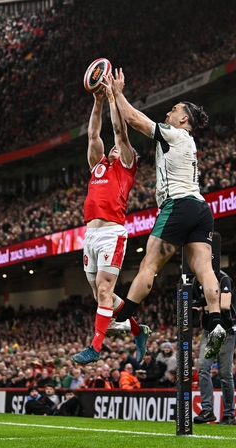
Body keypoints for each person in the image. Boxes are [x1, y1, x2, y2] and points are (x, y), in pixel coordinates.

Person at [104, 69, 226, 359]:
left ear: (184, 119)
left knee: (150, 264)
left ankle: (123, 320)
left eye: (174, 110)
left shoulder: (174, 134)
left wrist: (118, 92)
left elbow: (135, 120)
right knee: (205, 269)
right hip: (201, 209)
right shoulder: (188, 142)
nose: (169, 113)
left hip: (178, 205)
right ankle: (218, 323)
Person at [72, 73, 145, 365]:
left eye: (117, 147)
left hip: (112, 233)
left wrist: (114, 97)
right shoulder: (97, 166)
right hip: (89, 236)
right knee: (100, 294)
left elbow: (119, 132)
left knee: (104, 290)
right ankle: (138, 331)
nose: (113, 148)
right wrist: (98, 100)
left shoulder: (126, 166)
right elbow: (93, 135)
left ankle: (96, 347)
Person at [194, 270, 236, 425]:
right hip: (210, 331)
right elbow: (194, 305)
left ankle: (229, 414)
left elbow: (225, 305)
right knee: (203, 367)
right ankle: (207, 409)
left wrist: (204, 305)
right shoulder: (197, 280)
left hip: (225, 330)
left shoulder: (223, 278)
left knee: (224, 374)